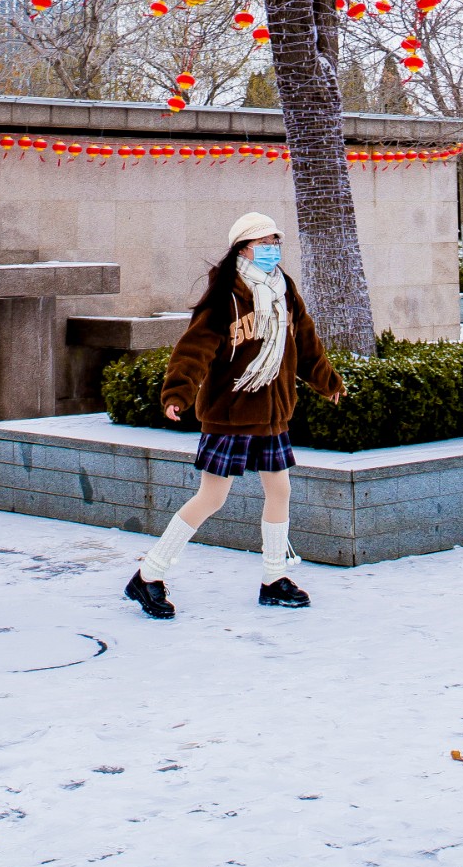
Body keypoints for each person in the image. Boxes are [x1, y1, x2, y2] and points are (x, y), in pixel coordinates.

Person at [124, 211, 344, 619]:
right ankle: (148, 575)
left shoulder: (283, 288)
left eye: (276, 241)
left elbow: (306, 340)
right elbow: (196, 347)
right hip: (231, 413)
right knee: (212, 497)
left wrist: (327, 380)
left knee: (280, 491)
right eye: (264, 243)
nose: (272, 249)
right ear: (243, 248)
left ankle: (273, 579)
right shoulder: (227, 293)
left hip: (273, 412)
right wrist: (178, 392)